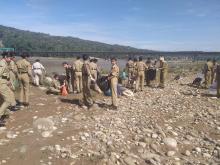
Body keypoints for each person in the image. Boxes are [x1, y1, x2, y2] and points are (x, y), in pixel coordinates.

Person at [0, 52, 16, 126]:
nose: (11, 59)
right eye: (9, 57)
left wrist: (8, 81)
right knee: (8, 100)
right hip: (1, 84)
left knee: (3, 100)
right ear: (5, 57)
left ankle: (4, 113)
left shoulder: (5, 63)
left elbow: (5, 75)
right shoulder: (2, 64)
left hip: (4, 83)